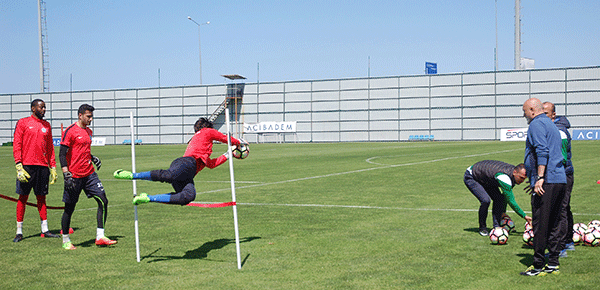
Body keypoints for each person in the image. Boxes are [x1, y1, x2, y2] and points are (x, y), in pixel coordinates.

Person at [113, 117, 243, 206]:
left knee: (188, 196)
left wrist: (228, 154)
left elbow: (211, 164)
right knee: (169, 176)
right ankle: (132, 175)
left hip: (187, 173)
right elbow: (223, 138)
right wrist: (238, 143)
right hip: (185, 164)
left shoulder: (202, 147)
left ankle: (147, 198)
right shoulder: (206, 132)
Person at [520, 98, 567, 276]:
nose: (524, 114)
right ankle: (553, 262)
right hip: (559, 180)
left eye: (524, 111)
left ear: (532, 109)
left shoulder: (536, 124)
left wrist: (539, 177)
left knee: (540, 224)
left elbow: (542, 150)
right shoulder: (551, 124)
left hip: (546, 181)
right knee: (555, 222)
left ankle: (538, 265)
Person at [59, 104, 116, 250]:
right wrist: (66, 174)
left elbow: (83, 150)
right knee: (69, 208)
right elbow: (62, 154)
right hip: (74, 176)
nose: (91, 119)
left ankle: (100, 236)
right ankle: (66, 239)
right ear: (80, 115)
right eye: (88, 116)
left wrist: (92, 157)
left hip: (89, 174)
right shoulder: (70, 131)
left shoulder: (88, 131)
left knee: (103, 200)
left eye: (91, 116)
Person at [12, 99, 59, 242]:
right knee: (23, 198)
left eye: (45, 107)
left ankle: (45, 229)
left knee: (41, 198)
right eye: (41, 107)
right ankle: (19, 231)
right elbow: (17, 143)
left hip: (43, 167)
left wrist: (53, 167)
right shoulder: (23, 122)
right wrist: (19, 165)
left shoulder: (47, 125)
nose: (44, 110)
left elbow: (50, 148)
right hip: (27, 167)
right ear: (33, 108)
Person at [464, 160, 532, 236]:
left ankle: (496, 226)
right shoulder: (504, 177)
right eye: (521, 178)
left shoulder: (513, 176)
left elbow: (505, 196)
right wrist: (524, 216)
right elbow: (511, 200)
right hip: (472, 177)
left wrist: (503, 212)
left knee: (499, 199)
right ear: (514, 172)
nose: (522, 181)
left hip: (487, 179)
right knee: (485, 200)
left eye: (524, 179)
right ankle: (482, 228)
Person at [543, 101, 575, 255]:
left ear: (554, 115)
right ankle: (568, 241)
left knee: (560, 210)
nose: (544, 117)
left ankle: (560, 247)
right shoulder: (554, 128)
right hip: (563, 174)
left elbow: (560, 159)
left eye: (547, 114)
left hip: (562, 175)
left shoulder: (559, 131)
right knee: (564, 207)